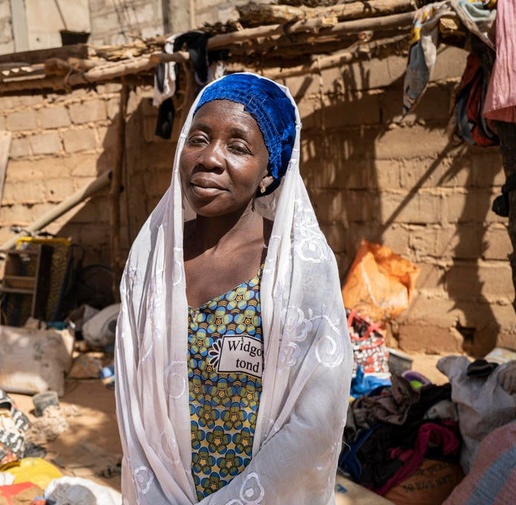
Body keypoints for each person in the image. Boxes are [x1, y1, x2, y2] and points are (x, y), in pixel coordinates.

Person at [114, 72, 353, 504]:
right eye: (198, 139)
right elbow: (133, 403)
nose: (210, 158)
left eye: (238, 147)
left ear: (269, 170)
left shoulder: (299, 268)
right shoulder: (152, 261)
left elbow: (315, 420)